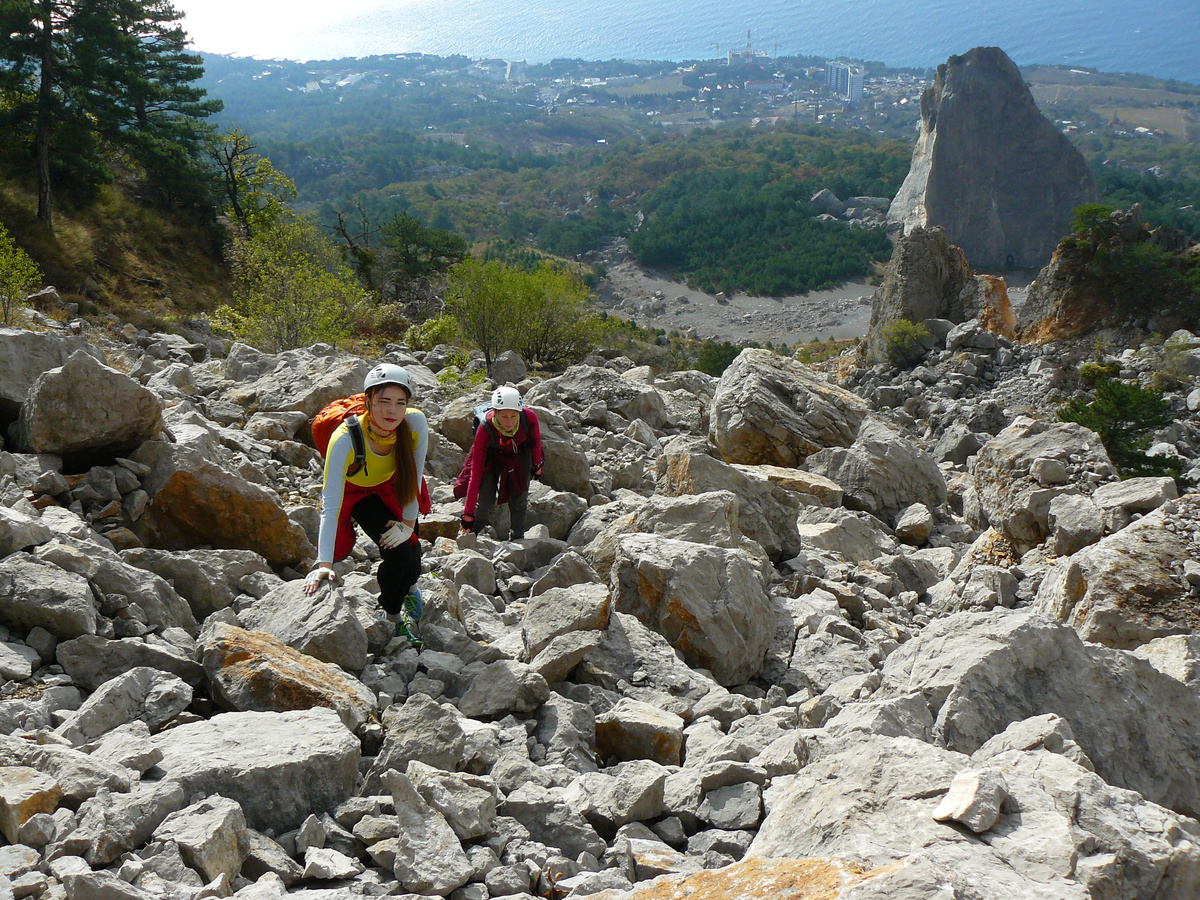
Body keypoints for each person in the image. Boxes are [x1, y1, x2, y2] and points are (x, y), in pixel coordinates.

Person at [304, 363, 428, 646]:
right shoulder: (345, 439)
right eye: (384, 401)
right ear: (368, 400)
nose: (391, 411)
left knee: (413, 546)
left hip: (390, 484)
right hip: (356, 492)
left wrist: (409, 525)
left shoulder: (415, 424)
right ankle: (393, 616)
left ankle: (411, 587)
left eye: (400, 403)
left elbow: (414, 478)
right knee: (397, 555)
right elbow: (331, 505)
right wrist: (325, 564)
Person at [459, 385, 544, 541]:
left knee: (519, 498)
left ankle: (517, 537)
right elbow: (476, 473)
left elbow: (535, 442)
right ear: (495, 413)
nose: (509, 422)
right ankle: (474, 531)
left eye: (514, 416)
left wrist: (537, 465)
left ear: (519, 412)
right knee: (485, 499)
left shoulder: (529, 417)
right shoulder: (485, 428)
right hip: (492, 457)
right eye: (504, 417)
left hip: (519, 454)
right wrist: (468, 514)